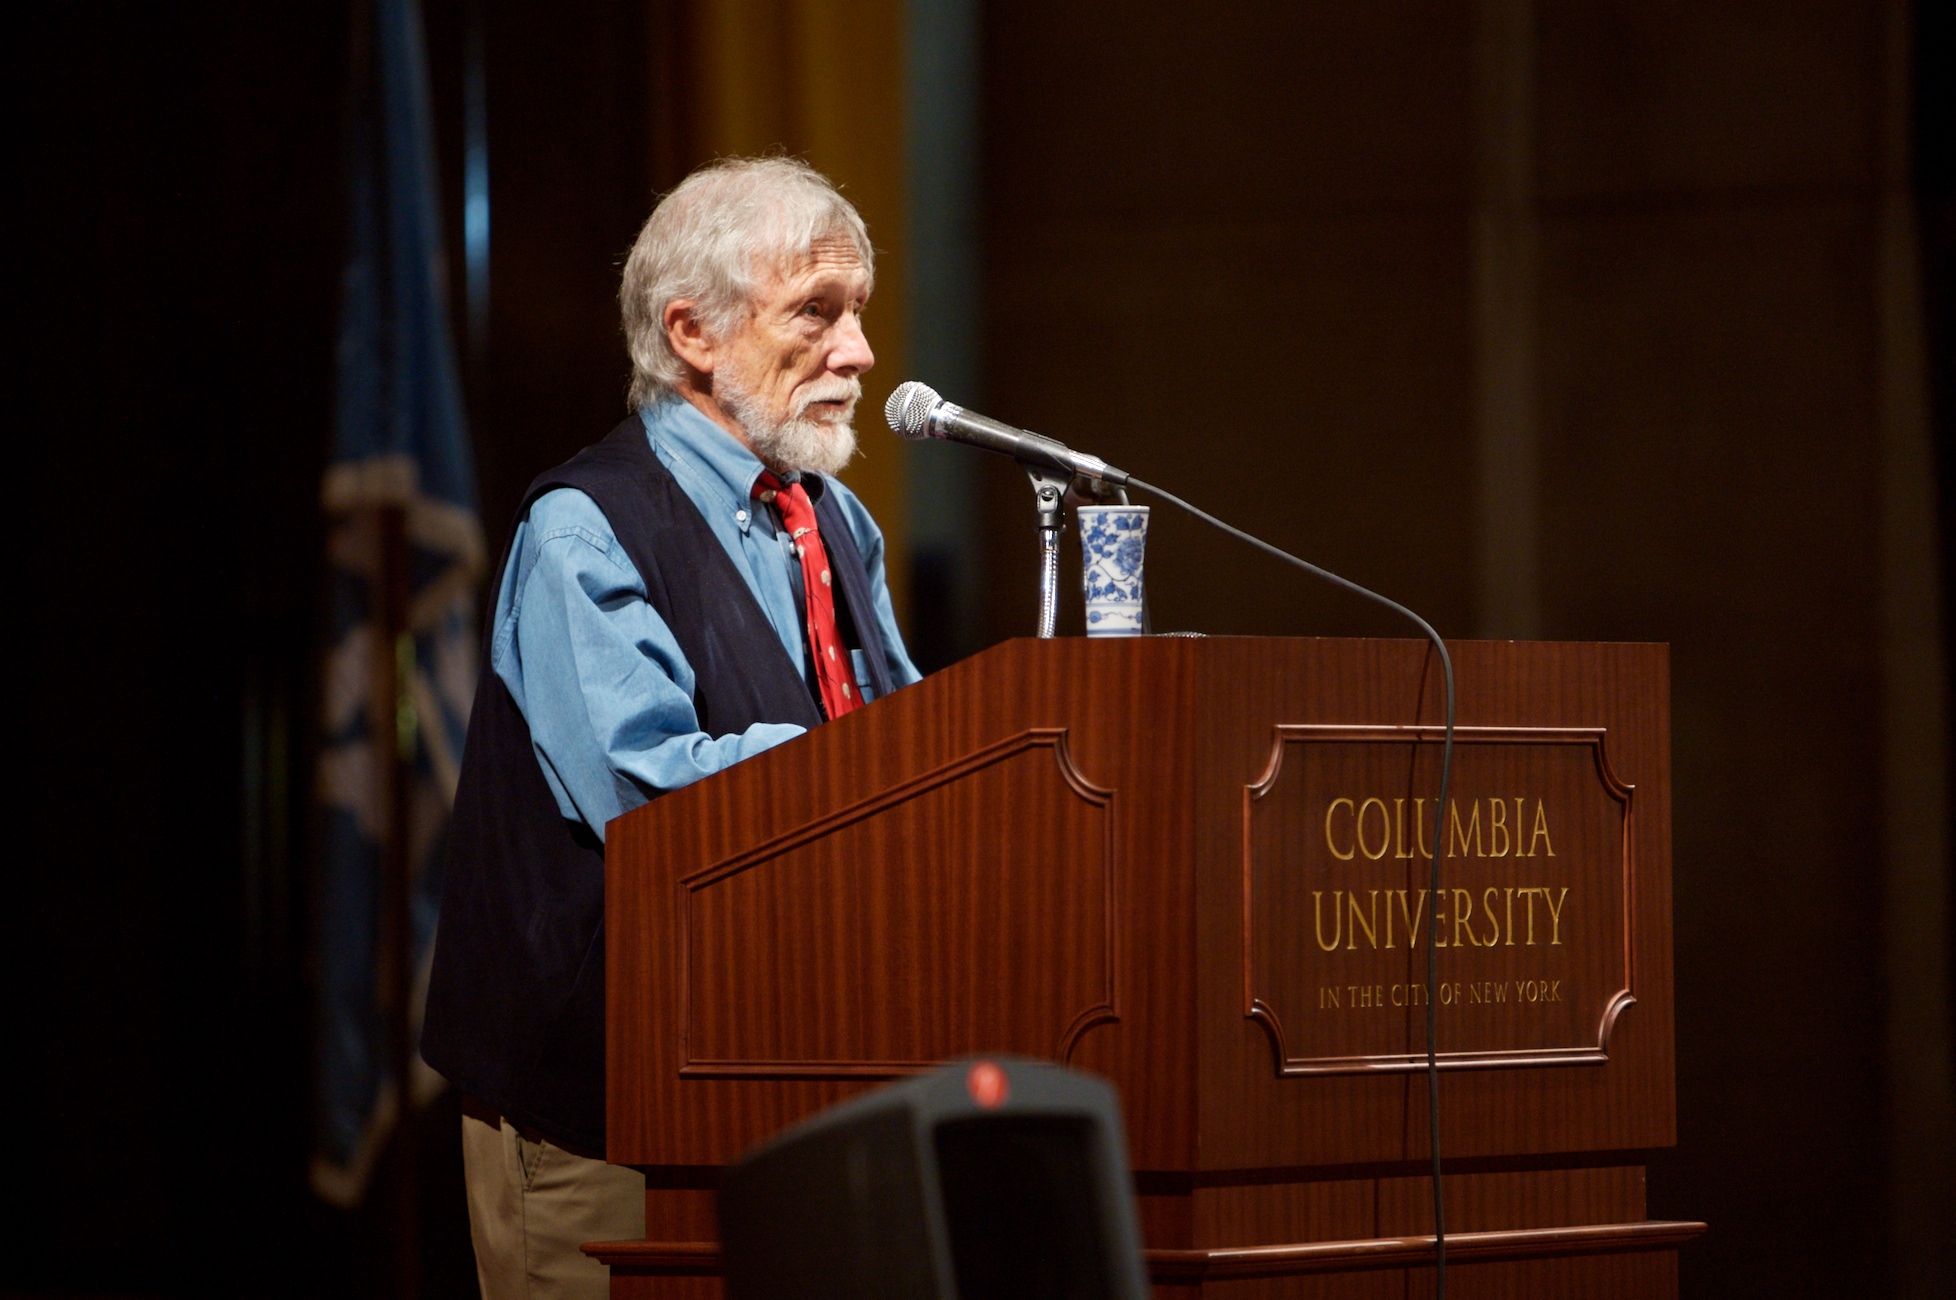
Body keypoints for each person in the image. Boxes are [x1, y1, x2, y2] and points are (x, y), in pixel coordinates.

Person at [422, 156, 922, 1300]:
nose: (859, 354)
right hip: (606, 1116)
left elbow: (913, 738)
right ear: (692, 332)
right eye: (818, 312)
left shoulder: (830, 517)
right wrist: (886, 770)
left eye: (858, 314)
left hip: (794, 1087)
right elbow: (664, 806)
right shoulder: (583, 529)